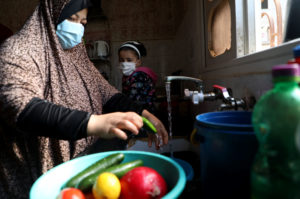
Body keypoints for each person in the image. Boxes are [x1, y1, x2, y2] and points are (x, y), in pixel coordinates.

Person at [0, 0, 168, 198]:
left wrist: (144, 113)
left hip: (74, 170)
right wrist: (93, 122)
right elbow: (19, 106)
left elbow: (107, 93)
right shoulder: (19, 50)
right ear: (50, 16)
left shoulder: (76, 56)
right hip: (34, 178)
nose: (77, 27)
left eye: (83, 22)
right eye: (72, 19)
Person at [118, 41, 158, 114]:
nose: (124, 63)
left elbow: (135, 101)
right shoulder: (128, 77)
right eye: (121, 60)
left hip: (145, 115)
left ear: (138, 62)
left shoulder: (139, 76)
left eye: (129, 60)